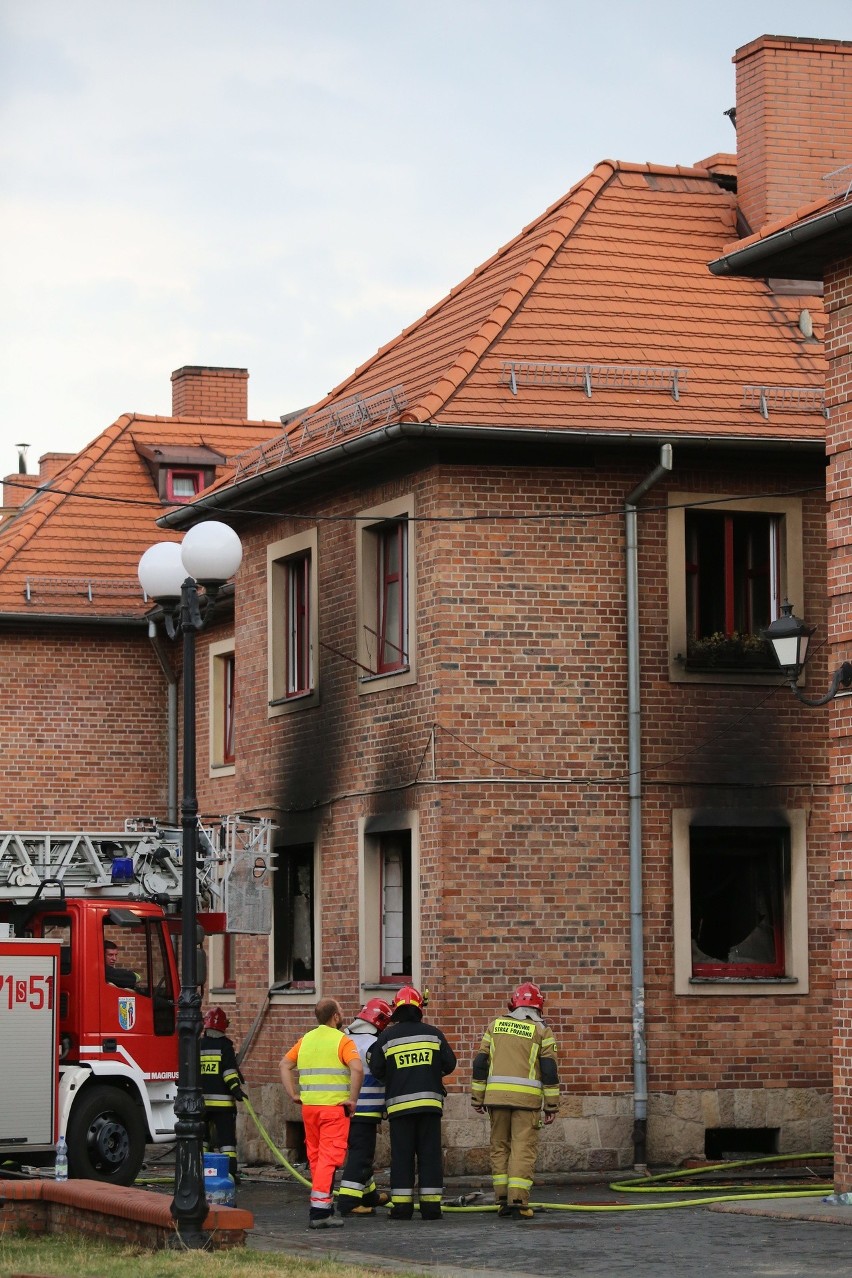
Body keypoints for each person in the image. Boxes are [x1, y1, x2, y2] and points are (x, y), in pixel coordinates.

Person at [471, 981, 560, 1220]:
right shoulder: (542, 1031)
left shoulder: (495, 1026)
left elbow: (480, 1063)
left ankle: (501, 1200)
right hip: (527, 1102)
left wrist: (477, 1098)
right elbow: (549, 1070)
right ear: (539, 1007)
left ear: (514, 1004)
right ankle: (518, 1201)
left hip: (496, 1099)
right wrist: (551, 1105)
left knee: (500, 1147)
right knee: (522, 1148)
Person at [367, 985, 456, 1221]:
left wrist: (394, 1076)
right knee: (430, 1156)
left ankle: (402, 1208)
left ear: (396, 1010)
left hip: (400, 1110)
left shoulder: (386, 1037)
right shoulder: (433, 1034)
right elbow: (450, 1064)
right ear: (419, 1009)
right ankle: (431, 1208)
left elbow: (375, 1068)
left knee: (402, 1157)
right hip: (429, 1108)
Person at [280, 997, 364, 1229]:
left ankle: (324, 1206)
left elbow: (284, 1065)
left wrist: (293, 1094)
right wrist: (353, 1100)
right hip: (333, 1110)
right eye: (341, 1010)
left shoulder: (305, 1040)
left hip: (309, 1109)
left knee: (317, 1159)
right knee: (329, 1159)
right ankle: (319, 1213)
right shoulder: (342, 1040)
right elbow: (357, 1068)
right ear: (335, 1017)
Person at [337, 997, 392, 1217]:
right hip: (366, 1109)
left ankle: (369, 1195)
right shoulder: (374, 1045)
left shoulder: (344, 1039)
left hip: (344, 1108)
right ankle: (348, 1202)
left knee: (363, 1153)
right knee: (361, 1154)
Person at [199, 1006, 246, 1183]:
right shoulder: (225, 1046)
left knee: (202, 1140)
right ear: (223, 1026)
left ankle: (199, 1171)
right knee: (226, 1142)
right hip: (223, 1105)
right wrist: (237, 1090)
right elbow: (229, 1073)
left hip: (202, 1104)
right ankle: (230, 1174)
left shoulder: (198, 1045)